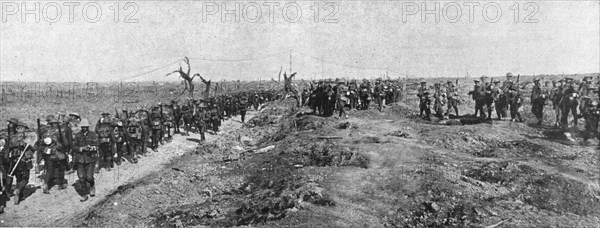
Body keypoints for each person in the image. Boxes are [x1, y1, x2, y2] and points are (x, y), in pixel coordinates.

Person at [2, 118, 35, 205]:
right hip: (23, 160)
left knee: (16, 176)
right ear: (23, 128)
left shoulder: (12, 137)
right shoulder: (26, 138)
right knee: (24, 179)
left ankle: (9, 193)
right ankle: (18, 190)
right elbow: (33, 148)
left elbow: (8, 147)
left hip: (13, 160)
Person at [72, 119, 99, 202]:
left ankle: (92, 186)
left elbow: (97, 145)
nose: (84, 128)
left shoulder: (93, 135)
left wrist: (92, 148)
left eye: (86, 127)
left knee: (89, 177)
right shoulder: (77, 135)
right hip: (80, 159)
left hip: (90, 159)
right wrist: (80, 148)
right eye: (83, 127)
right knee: (81, 177)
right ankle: (84, 194)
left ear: (88, 127)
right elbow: (73, 146)